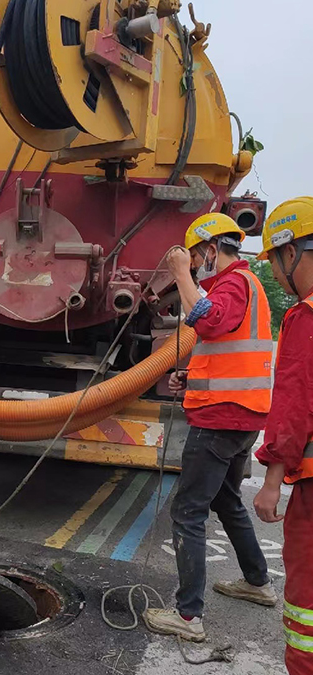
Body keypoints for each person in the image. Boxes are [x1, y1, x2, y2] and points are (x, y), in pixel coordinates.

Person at [143, 213, 276, 643]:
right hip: (237, 414)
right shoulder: (241, 286)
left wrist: (180, 273)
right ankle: (258, 582)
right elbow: (224, 349)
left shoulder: (235, 283)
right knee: (226, 500)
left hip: (221, 419)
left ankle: (188, 618)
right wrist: (189, 379)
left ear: (210, 250)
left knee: (188, 511)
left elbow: (209, 321)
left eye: (197, 256)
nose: (195, 264)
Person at [247, 197, 313, 675]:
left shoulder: (307, 315)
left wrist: (273, 480)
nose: (276, 273)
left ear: (292, 251)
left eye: (276, 261)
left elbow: (293, 405)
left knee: (307, 609)